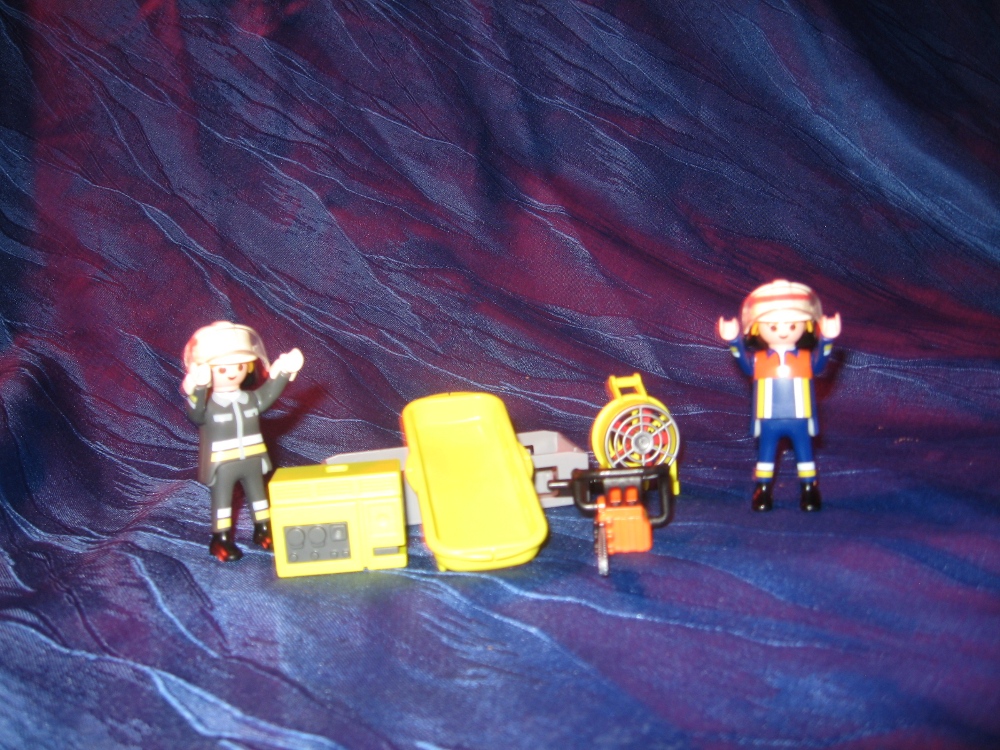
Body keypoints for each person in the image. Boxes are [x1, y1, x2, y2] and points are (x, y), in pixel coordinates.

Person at [182, 322, 304, 561]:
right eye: (221, 368)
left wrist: (284, 372)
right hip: (222, 463)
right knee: (222, 501)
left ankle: (263, 529)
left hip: (253, 457)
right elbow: (195, 414)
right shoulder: (209, 405)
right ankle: (221, 539)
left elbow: (267, 395)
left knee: (259, 496)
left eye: (239, 366)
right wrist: (198, 389)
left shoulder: (249, 399)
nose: (232, 373)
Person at [717, 280, 840, 511]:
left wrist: (827, 340)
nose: (783, 332)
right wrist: (734, 342)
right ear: (756, 328)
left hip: (800, 418)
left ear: (807, 326)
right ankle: (762, 490)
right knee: (765, 456)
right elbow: (745, 366)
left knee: (805, 455)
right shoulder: (759, 360)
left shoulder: (805, 358)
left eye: (792, 325)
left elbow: (821, 365)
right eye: (773, 327)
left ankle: (809, 489)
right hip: (768, 418)